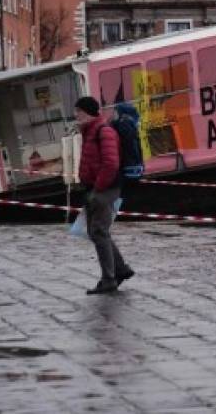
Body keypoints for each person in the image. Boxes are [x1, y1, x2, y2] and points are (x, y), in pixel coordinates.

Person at [75, 96, 134, 295]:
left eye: (79, 111)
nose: (76, 115)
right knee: (96, 232)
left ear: (88, 112)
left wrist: (98, 188)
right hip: (94, 188)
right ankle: (121, 269)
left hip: (104, 188)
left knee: (98, 231)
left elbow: (111, 164)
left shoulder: (103, 131)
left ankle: (109, 278)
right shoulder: (90, 131)